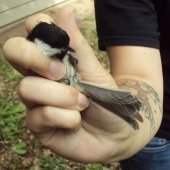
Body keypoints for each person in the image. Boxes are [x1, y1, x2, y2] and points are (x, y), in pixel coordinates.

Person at [2, 0, 169, 168]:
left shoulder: (60, 48)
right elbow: (137, 72)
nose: (66, 51)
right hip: (158, 141)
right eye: (60, 49)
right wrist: (127, 132)